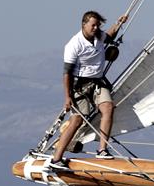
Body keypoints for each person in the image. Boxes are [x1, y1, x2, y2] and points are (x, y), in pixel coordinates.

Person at [50, 11, 127, 170]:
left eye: (98, 25)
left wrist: (119, 23)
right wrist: (67, 97)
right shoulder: (74, 44)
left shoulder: (99, 36)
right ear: (84, 24)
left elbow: (110, 36)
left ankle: (102, 150)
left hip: (98, 82)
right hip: (80, 85)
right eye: (93, 25)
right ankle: (56, 159)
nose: (96, 27)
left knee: (108, 108)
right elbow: (67, 73)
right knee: (76, 121)